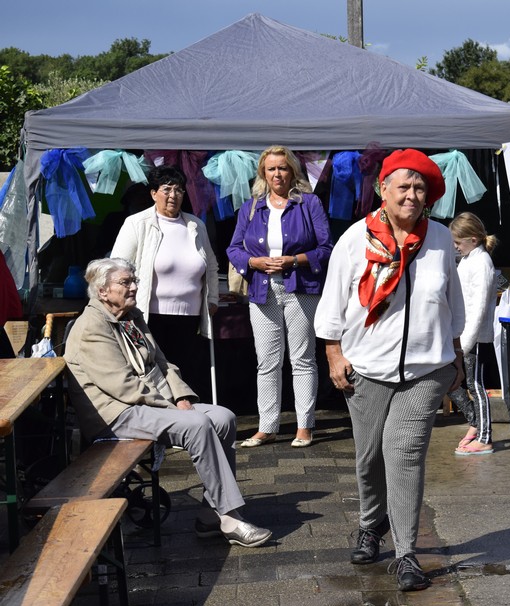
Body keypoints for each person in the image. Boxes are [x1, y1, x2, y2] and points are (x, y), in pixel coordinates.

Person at [315, 149, 465, 591]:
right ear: (384, 189)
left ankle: (406, 555)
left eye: (420, 188)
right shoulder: (355, 238)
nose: (412, 195)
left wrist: (457, 354)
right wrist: (334, 353)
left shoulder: (440, 238)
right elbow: (332, 302)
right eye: (404, 186)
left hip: (427, 368)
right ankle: (370, 523)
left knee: (403, 452)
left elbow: (452, 301)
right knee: (369, 457)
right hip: (366, 366)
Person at [64, 258, 271, 547]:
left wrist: (182, 396)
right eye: (125, 282)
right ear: (102, 291)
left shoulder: (131, 316)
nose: (134, 287)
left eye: (134, 280)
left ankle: (209, 516)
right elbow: (123, 386)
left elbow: (162, 363)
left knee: (224, 417)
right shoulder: (91, 327)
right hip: (117, 413)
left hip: (151, 402)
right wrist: (173, 407)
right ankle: (229, 516)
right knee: (196, 424)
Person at [227, 146, 332, 448]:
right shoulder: (251, 207)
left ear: (293, 171)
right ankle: (267, 426)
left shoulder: (309, 203)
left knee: (302, 359)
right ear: (263, 172)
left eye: (283, 168)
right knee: (267, 362)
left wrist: (294, 260)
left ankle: (304, 426)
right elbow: (233, 248)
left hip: (301, 288)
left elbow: (326, 248)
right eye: (271, 168)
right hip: (262, 290)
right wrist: (253, 262)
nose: (277, 174)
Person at [111, 165, 219, 400]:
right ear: (153, 193)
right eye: (167, 189)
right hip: (149, 317)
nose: (173, 195)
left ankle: (188, 418)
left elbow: (211, 266)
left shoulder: (195, 226)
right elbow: (117, 268)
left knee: (187, 375)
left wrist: (212, 299)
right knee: (156, 376)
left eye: (178, 190)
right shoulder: (137, 223)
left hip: (190, 317)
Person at [448, 212, 498, 456]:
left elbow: (478, 308)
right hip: (464, 335)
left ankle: (485, 436)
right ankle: (475, 423)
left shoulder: (482, 263)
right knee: (457, 381)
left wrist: (464, 345)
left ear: (473, 240)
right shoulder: (468, 259)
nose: (455, 246)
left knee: (476, 385)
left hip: (473, 337)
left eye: (458, 242)